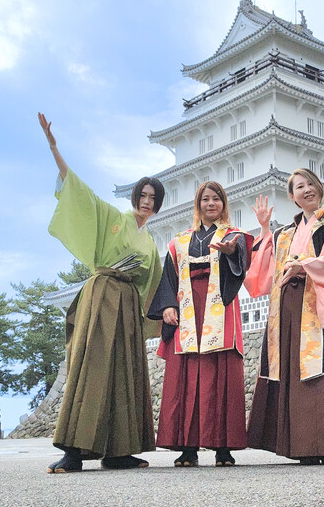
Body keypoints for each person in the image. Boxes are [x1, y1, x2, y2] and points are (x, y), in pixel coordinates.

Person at [38, 112, 164, 473]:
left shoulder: (150, 243)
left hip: (128, 307)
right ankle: (73, 451)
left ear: (158, 204)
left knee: (125, 374)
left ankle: (119, 451)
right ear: (135, 198)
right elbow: (80, 193)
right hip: (103, 294)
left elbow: (155, 283)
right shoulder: (113, 218)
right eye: (142, 195)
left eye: (153, 197)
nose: (146, 201)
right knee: (90, 366)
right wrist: (54, 148)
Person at [245, 169, 324, 466]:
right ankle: (302, 446)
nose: (307, 190)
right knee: (290, 370)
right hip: (287, 305)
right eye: (299, 187)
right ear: (292, 196)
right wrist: (264, 228)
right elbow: (264, 271)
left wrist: (304, 266)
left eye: (311, 184)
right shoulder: (283, 234)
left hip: (315, 300)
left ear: (320, 189)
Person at [147, 182, 253, 467]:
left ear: (223, 204)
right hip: (187, 306)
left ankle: (223, 448)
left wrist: (231, 252)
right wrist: (168, 306)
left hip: (219, 306)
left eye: (216, 199)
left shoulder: (233, 235)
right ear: (198, 205)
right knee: (187, 374)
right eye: (205, 199)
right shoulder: (180, 241)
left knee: (221, 373)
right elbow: (169, 277)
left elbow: (242, 265)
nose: (211, 204)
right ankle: (187, 447)